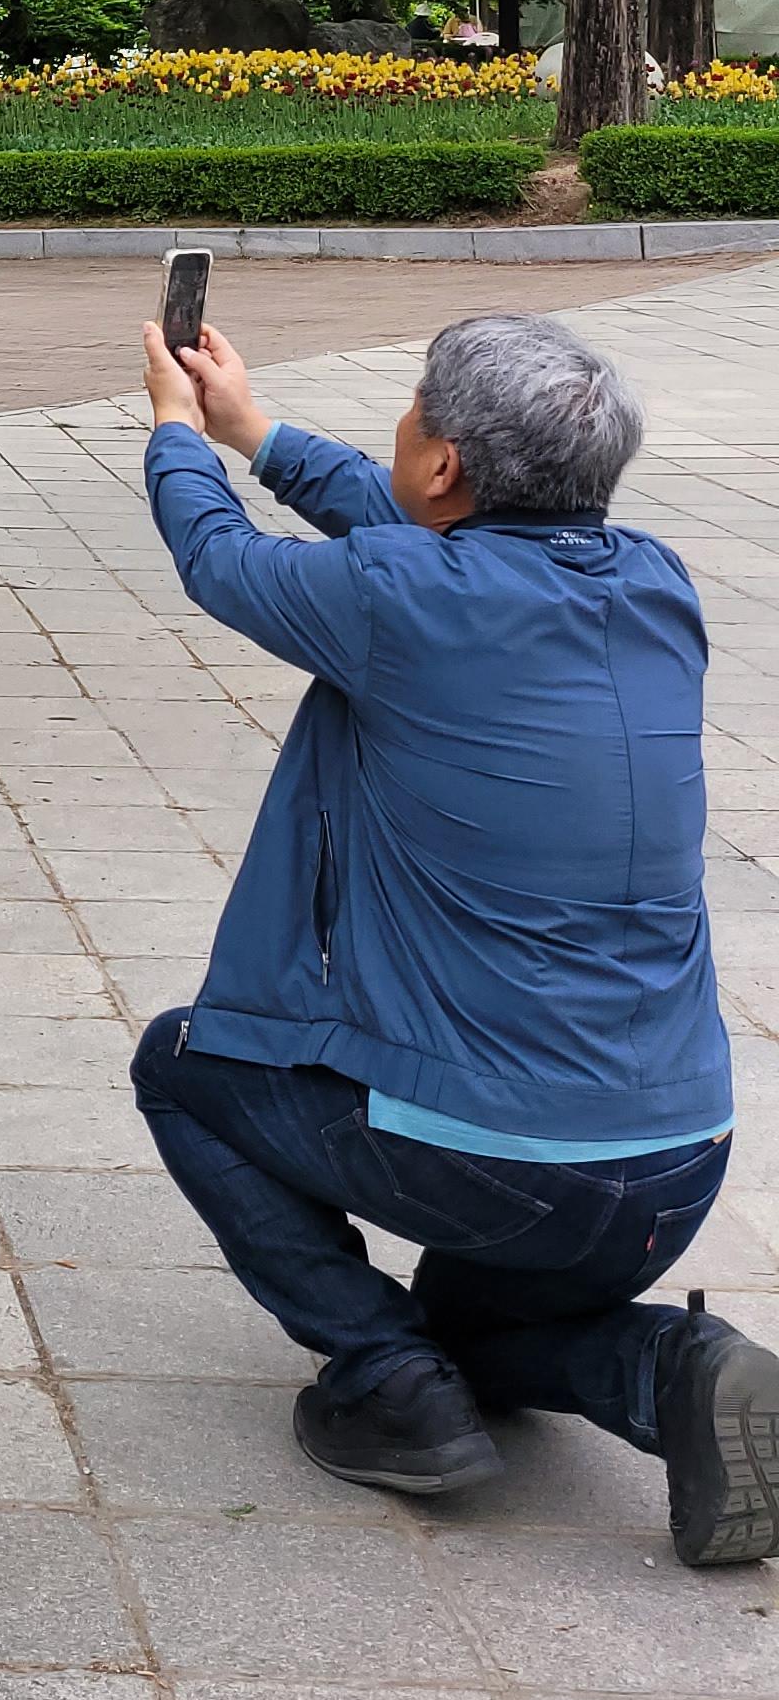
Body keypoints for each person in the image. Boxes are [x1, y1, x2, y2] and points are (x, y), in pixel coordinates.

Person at [131, 302, 778, 1566]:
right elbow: (422, 538)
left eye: (415, 411)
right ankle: (672, 1372)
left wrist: (174, 431)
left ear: (441, 464)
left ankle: (382, 1375)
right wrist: (255, 429)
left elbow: (217, 557)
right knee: (472, 1327)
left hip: (505, 1166)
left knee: (180, 1064)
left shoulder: (399, 596)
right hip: (675, 1162)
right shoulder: (656, 582)